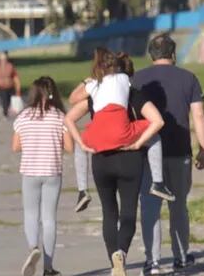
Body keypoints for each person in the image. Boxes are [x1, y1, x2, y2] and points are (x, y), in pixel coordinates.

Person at [66, 60, 165, 276]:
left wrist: (82, 144)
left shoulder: (95, 95)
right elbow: (157, 121)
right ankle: (122, 253)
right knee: (129, 211)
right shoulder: (134, 94)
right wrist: (138, 142)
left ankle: (114, 264)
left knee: (109, 212)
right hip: (130, 157)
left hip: (102, 159)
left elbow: (70, 115)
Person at [133, 33, 204, 276]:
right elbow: (198, 115)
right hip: (180, 152)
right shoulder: (188, 78)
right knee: (178, 206)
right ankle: (180, 256)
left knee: (149, 208)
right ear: (173, 53)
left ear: (150, 55)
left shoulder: (137, 79)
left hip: (146, 153)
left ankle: (152, 262)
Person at [68, 49, 176, 203]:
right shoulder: (128, 83)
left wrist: (88, 80)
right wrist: (138, 143)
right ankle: (158, 182)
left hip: (98, 140)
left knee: (81, 142)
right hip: (124, 138)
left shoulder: (94, 86)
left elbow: (72, 100)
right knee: (155, 136)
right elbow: (158, 121)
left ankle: (82, 190)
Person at [12, 77, 74, 276]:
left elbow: (15, 146)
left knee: (30, 214)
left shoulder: (23, 117)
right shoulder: (59, 117)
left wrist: (32, 141)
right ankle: (48, 269)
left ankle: (33, 248)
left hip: (30, 172)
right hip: (52, 172)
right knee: (49, 219)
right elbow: (69, 147)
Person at [0, 51, 22, 118]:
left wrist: (18, 87)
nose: (3, 60)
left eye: (4, 58)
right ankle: (5, 113)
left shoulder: (10, 66)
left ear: (7, 59)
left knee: (8, 100)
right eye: (1, 58)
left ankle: (7, 109)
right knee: (4, 100)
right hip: (1, 87)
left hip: (10, 86)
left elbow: (15, 77)